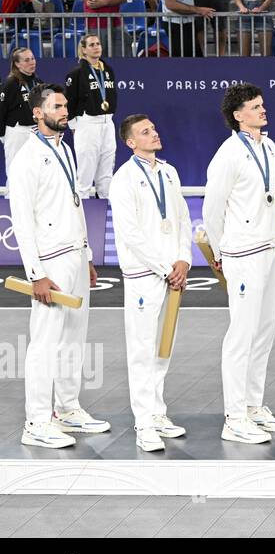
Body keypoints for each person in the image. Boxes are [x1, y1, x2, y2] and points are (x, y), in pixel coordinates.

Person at [11, 84, 106, 448]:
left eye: (66, 105)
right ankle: (36, 421)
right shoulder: (27, 158)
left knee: (73, 339)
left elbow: (73, 204)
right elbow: (22, 220)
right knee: (45, 342)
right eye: (58, 106)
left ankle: (66, 409)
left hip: (74, 256)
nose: (65, 111)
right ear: (37, 112)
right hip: (50, 261)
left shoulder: (64, 148)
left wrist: (87, 256)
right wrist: (36, 274)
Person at [202, 83, 275, 445]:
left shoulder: (268, 146)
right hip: (243, 253)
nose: (262, 110)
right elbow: (212, 208)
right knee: (241, 334)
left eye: (262, 105)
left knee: (265, 330)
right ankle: (234, 416)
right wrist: (222, 252)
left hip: (272, 248)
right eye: (255, 107)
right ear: (238, 116)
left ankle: (254, 405)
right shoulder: (227, 154)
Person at [108, 114, 191, 452]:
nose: (154, 134)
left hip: (173, 272)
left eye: (154, 128)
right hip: (145, 275)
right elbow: (130, 234)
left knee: (162, 347)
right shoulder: (123, 179)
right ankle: (143, 424)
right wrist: (164, 266)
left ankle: (157, 413)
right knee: (142, 350)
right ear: (130, 142)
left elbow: (183, 218)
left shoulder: (169, 172)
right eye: (145, 132)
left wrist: (184, 259)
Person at [63, 34, 118, 199]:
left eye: (98, 43)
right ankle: (82, 205)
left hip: (108, 122)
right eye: (92, 44)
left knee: (107, 167)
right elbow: (70, 102)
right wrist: (73, 126)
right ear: (84, 50)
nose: (96, 47)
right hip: (87, 124)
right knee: (86, 169)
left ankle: (105, 200)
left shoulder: (107, 69)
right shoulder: (76, 73)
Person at [1, 47, 42, 177]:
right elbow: (1, 109)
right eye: (26, 60)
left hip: (35, 130)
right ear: (17, 64)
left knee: (34, 170)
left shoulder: (38, 82)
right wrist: (2, 135)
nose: (32, 62)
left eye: (33, 58)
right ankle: (12, 196)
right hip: (17, 132)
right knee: (15, 169)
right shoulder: (10, 83)